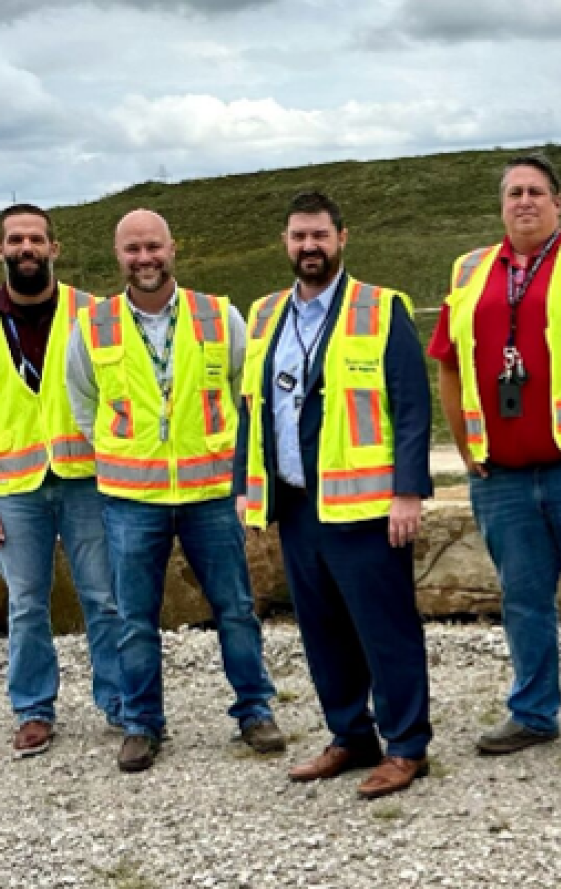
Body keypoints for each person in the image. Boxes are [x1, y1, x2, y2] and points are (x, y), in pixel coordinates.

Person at [429, 153, 561, 764]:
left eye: (535, 192)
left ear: (558, 203)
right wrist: (467, 443)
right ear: (501, 206)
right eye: (513, 193)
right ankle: (533, 713)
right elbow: (446, 359)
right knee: (523, 601)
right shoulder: (471, 270)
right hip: (501, 476)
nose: (523, 201)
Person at [66, 209, 282, 773]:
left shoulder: (219, 315)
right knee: (134, 617)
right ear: (119, 256)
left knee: (234, 609)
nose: (145, 259)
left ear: (173, 248)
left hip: (210, 492)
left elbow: (243, 390)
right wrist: (125, 451)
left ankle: (255, 711)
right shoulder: (94, 326)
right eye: (133, 249)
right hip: (131, 499)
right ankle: (141, 723)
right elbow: (83, 403)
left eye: (154, 247)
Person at [235, 190, 434, 799]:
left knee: (386, 630)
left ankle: (406, 747)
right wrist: (250, 491)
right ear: (285, 243)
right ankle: (350, 735)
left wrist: (408, 493)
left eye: (319, 235)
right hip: (297, 506)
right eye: (298, 236)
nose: (309, 246)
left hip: (366, 508)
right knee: (322, 631)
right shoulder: (266, 314)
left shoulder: (380, 308)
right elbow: (253, 408)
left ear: (342, 237)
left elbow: (411, 406)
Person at [0, 203, 124, 759]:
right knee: (26, 602)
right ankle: (33, 710)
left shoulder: (96, 314)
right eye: (16, 239)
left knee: (104, 597)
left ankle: (123, 705)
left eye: (37, 239)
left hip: (87, 481)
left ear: (55, 249)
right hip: (16, 489)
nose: (27, 248)